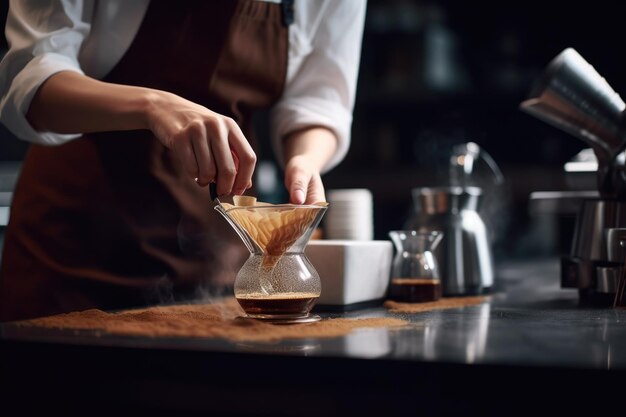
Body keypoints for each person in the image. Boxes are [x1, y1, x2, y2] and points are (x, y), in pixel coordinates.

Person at [0, 0, 366, 321]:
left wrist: (305, 160)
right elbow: (29, 77)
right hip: (75, 253)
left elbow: (321, 100)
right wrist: (154, 105)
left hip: (213, 259)